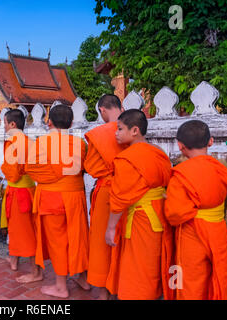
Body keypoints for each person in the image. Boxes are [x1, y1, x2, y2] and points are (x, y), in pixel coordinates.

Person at [165, 120, 227, 300]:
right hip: (218, 232)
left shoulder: (180, 173)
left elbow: (174, 215)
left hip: (192, 234)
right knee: (220, 275)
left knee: (192, 282)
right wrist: (213, 203)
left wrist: (196, 207)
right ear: (210, 141)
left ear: (180, 146)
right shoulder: (222, 169)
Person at [105, 109, 173, 300]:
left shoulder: (127, 159)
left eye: (120, 129)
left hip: (142, 219)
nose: (116, 133)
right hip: (160, 214)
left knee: (139, 266)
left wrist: (110, 228)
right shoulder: (159, 152)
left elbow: (119, 199)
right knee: (155, 261)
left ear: (135, 130)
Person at [25, 105, 90, 299]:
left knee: (58, 242)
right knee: (78, 238)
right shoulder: (80, 144)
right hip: (75, 196)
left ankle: (61, 287)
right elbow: (85, 168)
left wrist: (52, 178)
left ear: (49, 121)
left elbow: (31, 169)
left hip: (53, 198)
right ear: (71, 123)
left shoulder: (41, 143)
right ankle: (83, 278)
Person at [83, 94, 126, 300]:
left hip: (107, 190)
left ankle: (103, 292)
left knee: (102, 241)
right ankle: (122, 286)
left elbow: (91, 167)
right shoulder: (133, 127)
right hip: (130, 190)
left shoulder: (99, 134)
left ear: (102, 110)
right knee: (124, 240)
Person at [1, 109, 42, 283]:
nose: (3, 127)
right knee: (17, 229)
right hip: (28, 190)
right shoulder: (30, 142)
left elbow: (13, 174)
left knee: (26, 233)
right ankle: (14, 259)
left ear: (12, 124)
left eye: (4, 123)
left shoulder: (14, 143)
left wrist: (4, 169)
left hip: (19, 192)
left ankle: (35, 272)